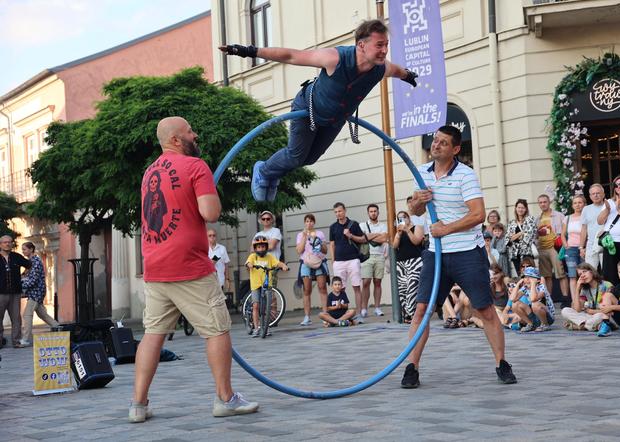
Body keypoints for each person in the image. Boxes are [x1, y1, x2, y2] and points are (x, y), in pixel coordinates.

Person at [131, 116, 258, 423]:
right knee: (217, 329)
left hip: (156, 266)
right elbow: (210, 212)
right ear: (176, 139)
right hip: (189, 265)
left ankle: (138, 404)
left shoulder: (149, 173)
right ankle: (225, 398)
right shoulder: (195, 166)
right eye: (190, 131)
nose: (195, 134)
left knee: (153, 335)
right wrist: (209, 191)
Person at [220, 19, 417, 202]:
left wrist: (408, 76)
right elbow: (291, 55)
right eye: (379, 45)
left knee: (311, 158)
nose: (384, 50)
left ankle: (272, 173)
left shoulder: (381, 68)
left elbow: (398, 71)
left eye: (386, 45)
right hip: (308, 109)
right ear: (361, 45)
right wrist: (248, 51)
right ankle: (264, 170)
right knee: (297, 155)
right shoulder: (334, 58)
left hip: (335, 118)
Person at [402, 125, 517, 388]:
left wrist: (446, 228)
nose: (436, 145)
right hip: (435, 254)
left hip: (466, 252)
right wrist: (418, 201)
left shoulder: (466, 175)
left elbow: (478, 215)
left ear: (455, 149)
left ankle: (501, 363)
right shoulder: (422, 172)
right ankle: (412, 367)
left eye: (443, 142)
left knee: (486, 310)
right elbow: (414, 210)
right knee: (422, 310)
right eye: (435, 140)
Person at [328, 202, 366, 322]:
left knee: (356, 287)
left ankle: (359, 313)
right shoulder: (333, 227)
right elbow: (332, 244)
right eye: (336, 212)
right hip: (339, 262)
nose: (338, 214)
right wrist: (333, 260)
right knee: (340, 289)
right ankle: (343, 315)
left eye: (340, 211)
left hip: (353, 260)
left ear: (345, 211)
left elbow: (363, 239)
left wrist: (350, 235)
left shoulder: (353, 224)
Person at [246, 236, 290, 337]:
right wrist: (250, 265)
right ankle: (256, 328)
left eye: (263, 247)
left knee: (266, 307)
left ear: (266, 247)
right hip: (256, 284)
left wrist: (283, 266)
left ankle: (266, 327)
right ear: (255, 248)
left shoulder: (269, 257)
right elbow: (248, 263)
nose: (261, 249)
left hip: (267, 284)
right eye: (259, 247)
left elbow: (277, 263)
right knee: (256, 306)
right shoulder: (253, 257)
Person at [19, 242, 59, 346]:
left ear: (31, 249)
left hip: (36, 292)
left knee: (27, 314)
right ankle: (60, 328)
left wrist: (20, 284)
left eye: (25, 249)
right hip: (35, 292)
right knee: (42, 314)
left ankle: (26, 339)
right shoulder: (31, 261)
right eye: (22, 249)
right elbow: (25, 276)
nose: (23, 251)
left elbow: (33, 280)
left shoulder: (35, 261)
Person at [535, 194, 570, 306]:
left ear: (549, 202)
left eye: (544, 202)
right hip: (542, 248)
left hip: (555, 247)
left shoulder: (559, 216)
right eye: (540, 202)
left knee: (561, 273)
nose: (542, 204)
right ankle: (549, 299)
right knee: (546, 276)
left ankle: (565, 298)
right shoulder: (537, 219)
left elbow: (566, 232)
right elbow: (535, 235)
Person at [295, 213, 329, 325]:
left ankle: (325, 314)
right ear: (304, 223)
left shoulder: (320, 233)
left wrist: (317, 240)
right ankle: (307, 317)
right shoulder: (300, 235)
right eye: (307, 221)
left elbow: (325, 250)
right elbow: (299, 251)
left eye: (311, 221)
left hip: (319, 261)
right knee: (307, 290)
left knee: (322, 287)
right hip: (306, 262)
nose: (309, 223)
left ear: (314, 222)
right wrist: (305, 237)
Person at [561, 263, 614, 332]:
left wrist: (592, 311)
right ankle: (591, 326)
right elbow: (577, 309)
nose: (582, 275)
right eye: (580, 274)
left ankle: (578, 326)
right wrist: (577, 289)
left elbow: (609, 311)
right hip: (589, 317)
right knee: (565, 310)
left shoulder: (606, 285)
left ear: (592, 271)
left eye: (584, 272)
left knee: (599, 316)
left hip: (602, 315)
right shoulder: (584, 289)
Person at [392, 210, 425, 323]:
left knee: (412, 287)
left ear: (408, 218)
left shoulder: (417, 227)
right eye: (399, 218)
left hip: (415, 261)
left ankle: (412, 314)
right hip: (401, 263)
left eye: (404, 217)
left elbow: (416, 241)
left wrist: (407, 230)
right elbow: (394, 246)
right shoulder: (399, 231)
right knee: (403, 289)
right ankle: (408, 314)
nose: (402, 220)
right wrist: (399, 234)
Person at [0, 235, 31, 349]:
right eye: (5, 242)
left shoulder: (16, 257)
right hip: (0, 293)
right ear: (0, 244)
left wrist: (23, 276)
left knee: (16, 318)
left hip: (15, 293)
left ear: (12, 244)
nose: (7, 244)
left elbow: (29, 265)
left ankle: (16, 341)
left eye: (9, 242)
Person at [359, 204, 388, 317]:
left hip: (380, 256)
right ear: (368, 213)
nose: (373, 213)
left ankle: (377, 307)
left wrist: (369, 236)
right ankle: (364, 308)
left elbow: (384, 238)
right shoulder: (362, 225)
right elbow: (362, 238)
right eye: (371, 211)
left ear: (378, 212)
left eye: (375, 211)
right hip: (367, 256)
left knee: (378, 282)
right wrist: (376, 235)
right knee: (366, 282)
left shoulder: (383, 225)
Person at [511, 266, 555, 332]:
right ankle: (530, 324)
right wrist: (517, 285)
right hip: (535, 316)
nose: (527, 279)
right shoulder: (525, 288)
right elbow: (513, 299)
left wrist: (533, 284)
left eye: (530, 277)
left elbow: (533, 299)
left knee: (535, 304)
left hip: (548, 317)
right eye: (525, 277)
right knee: (515, 304)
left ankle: (545, 324)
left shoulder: (541, 287)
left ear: (537, 280)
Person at [561, 195, 586, 301]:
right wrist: (565, 244)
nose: (577, 205)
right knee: (572, 275)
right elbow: (562, 234)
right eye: (575, 203)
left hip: (584, 248)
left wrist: (583, 247)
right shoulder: (567, 218)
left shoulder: (586, 217)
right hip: (570, 249)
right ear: (572, 205)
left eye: (580, 202)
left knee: (585, 274)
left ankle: (584, 299)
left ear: (584, 204)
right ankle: (575, 300)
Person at [505, 199, 537, 277]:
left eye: (522, 207)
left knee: (530, 275)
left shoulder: (530, 220)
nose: (520, 209)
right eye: (519, 207)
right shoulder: (512, 223)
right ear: (516, 208)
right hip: (515, 254)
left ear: (526, 209)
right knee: (521, 276)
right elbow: (508, 239)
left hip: (526, 253)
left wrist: (514, 237)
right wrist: (520, 233)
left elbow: (529, 237)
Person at [580, 184, 606, 271]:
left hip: (606, 243)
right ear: (590, 196)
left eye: (598, 193)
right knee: (590, 272)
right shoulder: (586, 209)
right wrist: (581, 247)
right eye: (593, 193)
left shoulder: (609, 207)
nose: (596, 195)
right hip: (591, 245)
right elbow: (584, 229)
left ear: (603, 194)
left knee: (607, 271)